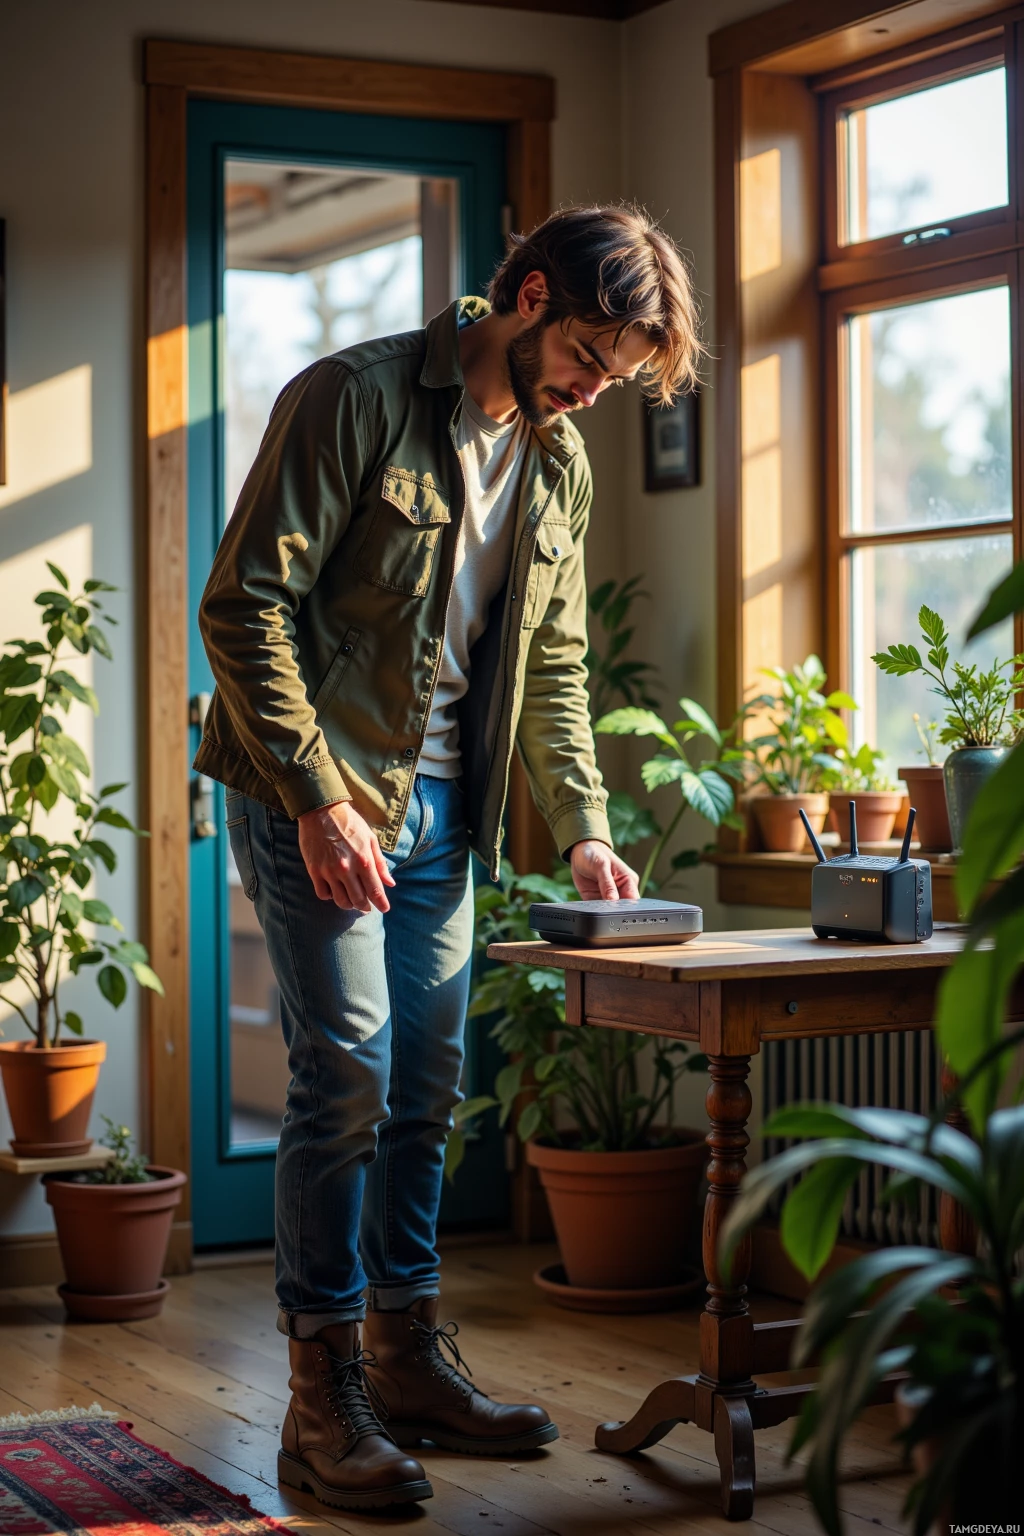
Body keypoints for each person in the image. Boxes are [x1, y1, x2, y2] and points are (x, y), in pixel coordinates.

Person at [195, 203, 702, 1512]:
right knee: (349, 1071)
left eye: (621, 372)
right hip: (313, 795)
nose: (598, 388)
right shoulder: (351, 399)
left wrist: (584, 824)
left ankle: (406, 1356)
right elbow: (245, 605)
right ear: (527, 296)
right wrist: (317, 801)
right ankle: (321, 1396)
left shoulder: (561, 463)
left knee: (429, 1083)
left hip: (442, 822)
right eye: (594, 351)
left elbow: (552, 667)